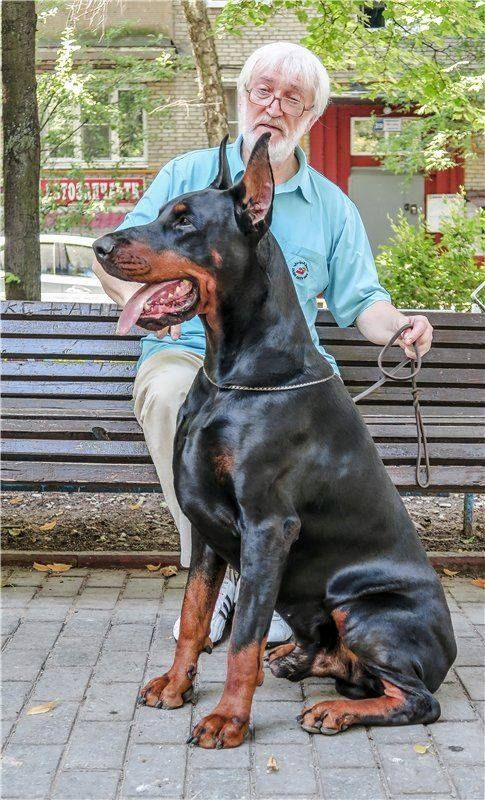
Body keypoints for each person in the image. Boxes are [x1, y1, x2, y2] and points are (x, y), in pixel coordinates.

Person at [93, 41, 433, 646]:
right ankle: (232, 582)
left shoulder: (332, 207)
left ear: (310, 118)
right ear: (241, 97)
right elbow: (119, 256)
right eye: (262, 91)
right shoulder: (187, 175)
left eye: (292, 98)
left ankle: (288, 588)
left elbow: (363, 302)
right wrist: (141, 306)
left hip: (288, 380)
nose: (273, 106)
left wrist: (400, 324)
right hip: (194, 355)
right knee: (173, 394)